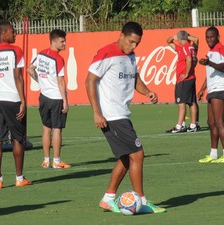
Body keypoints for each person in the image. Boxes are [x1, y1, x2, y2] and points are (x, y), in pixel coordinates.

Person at [85, 21, 166, 214]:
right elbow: (90, 80)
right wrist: (97, 112)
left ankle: (108, 198)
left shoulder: (131, 56)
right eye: (131, 42)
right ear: (121, 35)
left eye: (137, 43)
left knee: (126, 158)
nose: (133, 46)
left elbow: (135, 78)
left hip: (121, 114)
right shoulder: (106, 53)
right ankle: (142, 201)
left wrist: (147, 92)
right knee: (137, 154)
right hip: (111, 115)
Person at [0, 21, 31, 189]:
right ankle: (19, 178)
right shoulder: (15, 50)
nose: (15, 34)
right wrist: (23, 100)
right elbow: (18, 77)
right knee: (18, 138)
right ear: (3, 34)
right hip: (12, 99)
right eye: (12, 31)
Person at [27, 29, 70, 169]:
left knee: (46, 128)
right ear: (54, 41)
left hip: (44, 96)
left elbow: (30, 69)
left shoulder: (41, 54)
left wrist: (39, 81)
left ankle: (46, 160)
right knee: (57, 129)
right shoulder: (58, 59)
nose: (65, 44)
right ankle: (56, 161)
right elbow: (60, 81)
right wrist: (65, 100)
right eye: (62, 41)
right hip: (56, 97)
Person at [197, 26, 224, 163]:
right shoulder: (211, 51)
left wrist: (209, 62)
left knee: (219, 121)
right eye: (207, 37)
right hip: (212, 88)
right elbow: (211, 74)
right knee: (211, 122)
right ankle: (213, 154)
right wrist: (202, 89)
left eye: (212, 36)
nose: (209, 39)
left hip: (220, 87)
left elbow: (223, 67)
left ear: (217, 36)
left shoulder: (220, 48)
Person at [166, 31, 200, 133]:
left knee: (181, 103)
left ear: (180, 39)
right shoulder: (191, 47)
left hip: (184, 79)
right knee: (192, 102)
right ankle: (193, 125)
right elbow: (168, 41)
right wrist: (185, 37)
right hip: (191, 78)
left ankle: (179, 125)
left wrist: (186, 73)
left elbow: (188, 59)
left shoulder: (185, 47)